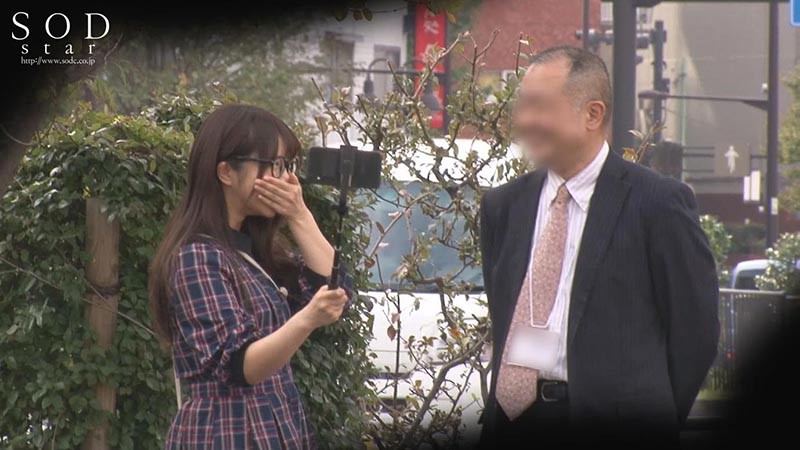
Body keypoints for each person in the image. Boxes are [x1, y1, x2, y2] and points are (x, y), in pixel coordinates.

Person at [478, 46, 719, 448]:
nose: (525, 121)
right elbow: (507, 316)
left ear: (592, 114)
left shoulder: (658, 204)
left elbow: (696, 331)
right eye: (523, 106)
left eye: (540, 107)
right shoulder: (504, 206)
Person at [148, 104, 352, 449]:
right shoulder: (197, 256)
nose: (286, 180)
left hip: (274, 426)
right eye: (275, 165)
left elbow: (335, 289)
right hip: (227, 432)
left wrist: (300, 215)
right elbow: (240, 364)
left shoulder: (253, 247)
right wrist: (307, 319)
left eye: (288, 166)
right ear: (226, 172)